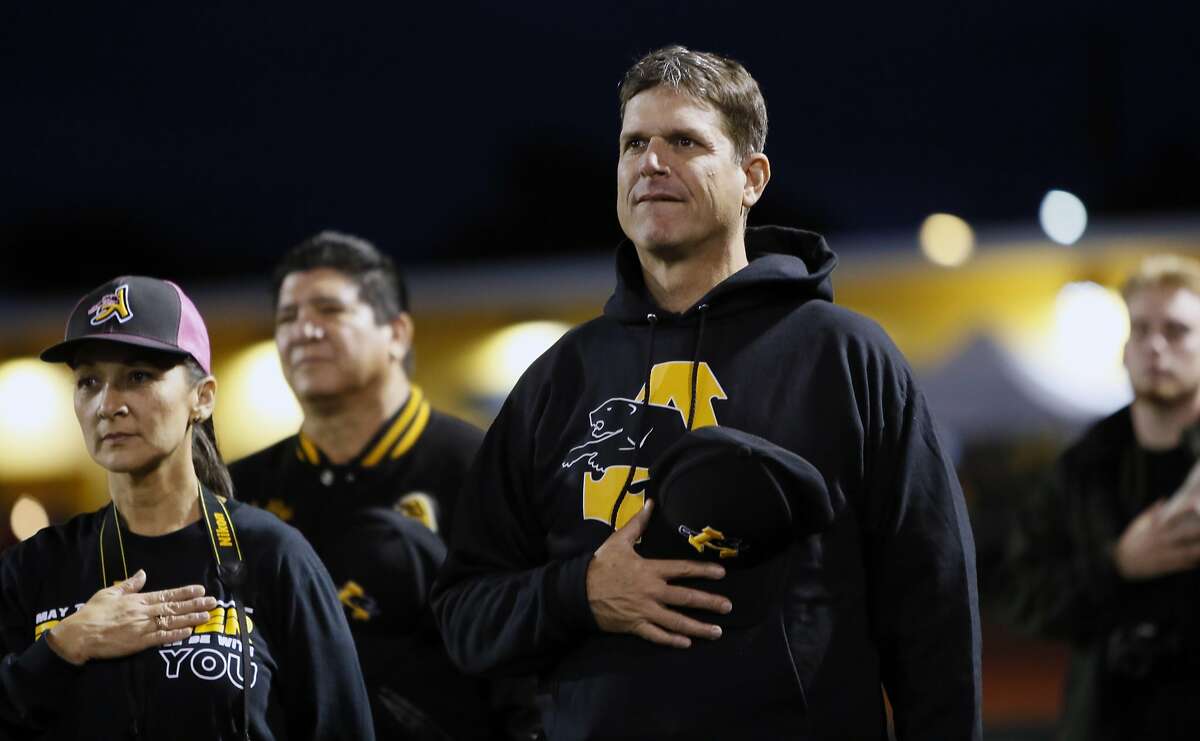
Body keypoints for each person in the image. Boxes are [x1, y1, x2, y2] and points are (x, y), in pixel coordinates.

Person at [431, 45, 981, 739]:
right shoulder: (556, 379)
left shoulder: (845, 357)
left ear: (752, 178)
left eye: (684, 141)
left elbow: (934, 606)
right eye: (634, 144)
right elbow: (465, 615)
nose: (651, 162)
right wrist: (581, 592)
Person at [0, 275, 373, 740]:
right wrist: (62, 647)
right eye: (89, 381)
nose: (107, 404)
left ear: (203, 397)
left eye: (138, 376)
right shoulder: (33, 568)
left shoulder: (274, 556)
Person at [230, 232, 538, 740]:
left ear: (396, 333)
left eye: (330, 310)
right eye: (287, 317)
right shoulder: (235, 490)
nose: (303, 330)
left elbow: (528, 666)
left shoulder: (483, 467)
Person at [1006, 255, 1200, 741]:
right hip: (1108, 720)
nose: (1156, 346)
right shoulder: (1083, 467)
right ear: (1124, 350)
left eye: (1176, 330)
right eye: (1141, 330)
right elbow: (1022, 592)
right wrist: (1119, 564)